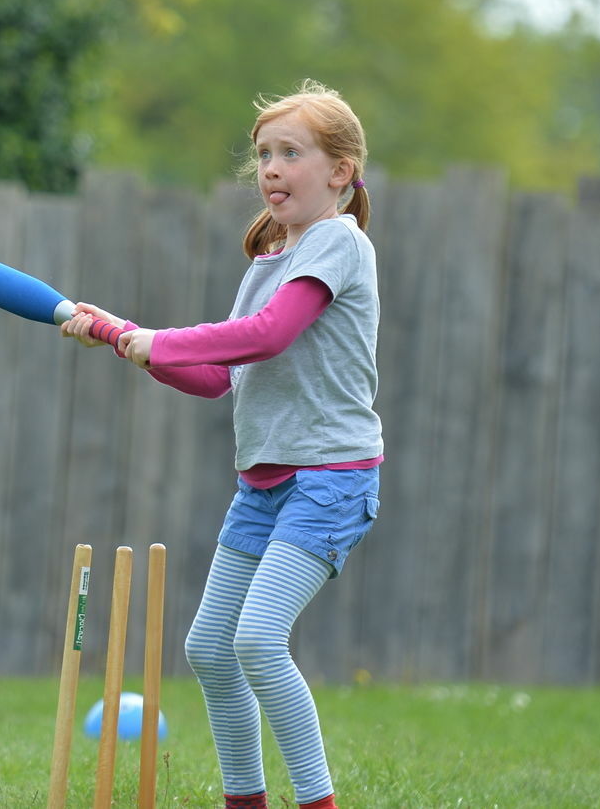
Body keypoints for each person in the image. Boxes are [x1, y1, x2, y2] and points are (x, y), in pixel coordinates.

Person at [61, 80, 380, 809]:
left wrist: (156, 338)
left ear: (338, 171)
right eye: (263, 153)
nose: (270, 167)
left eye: (290, 152)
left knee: (258, 641)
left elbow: (268, 335)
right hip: (264, 483)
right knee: (209, 648)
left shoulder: (338, 241)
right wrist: (124, 337)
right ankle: (245, 801)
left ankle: (319, 803)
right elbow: (218, 379)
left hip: (331, 476)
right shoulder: (269, 258)